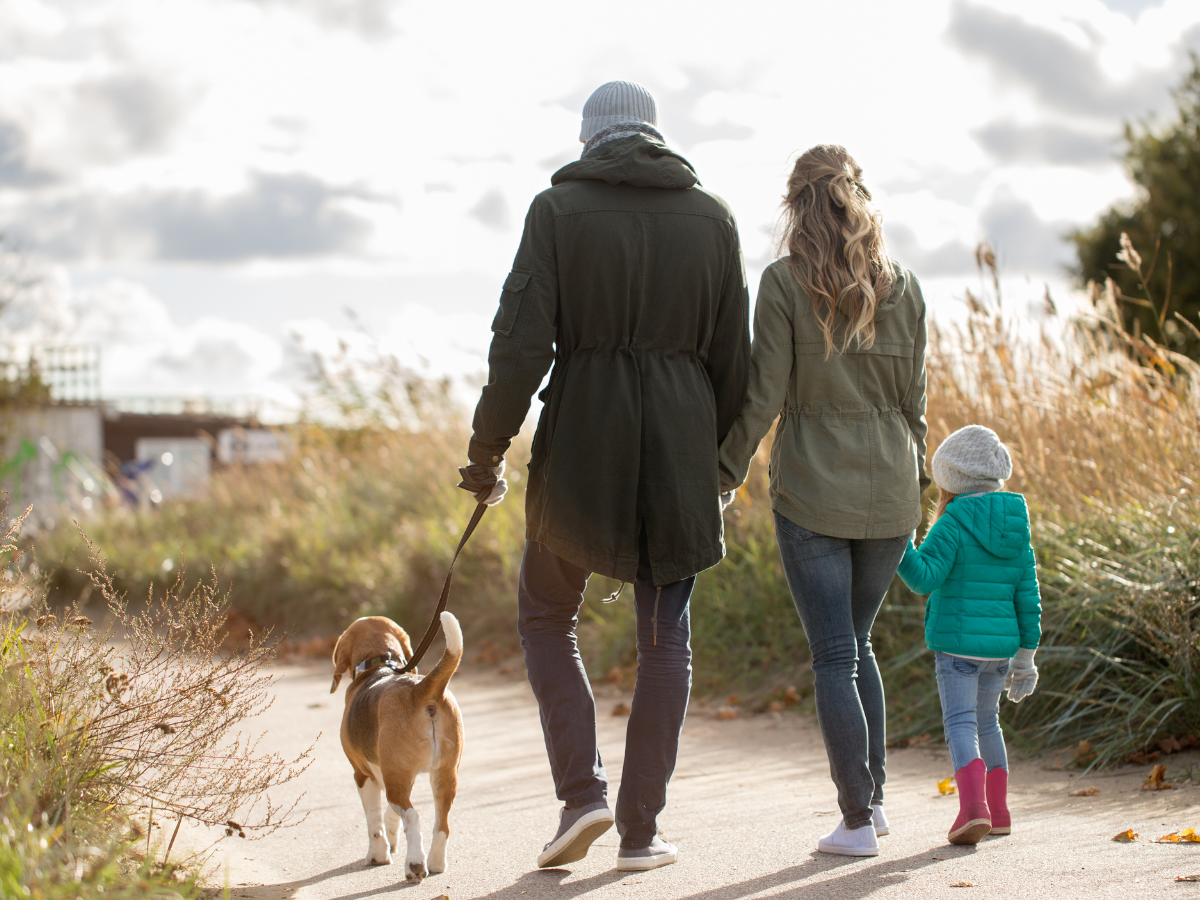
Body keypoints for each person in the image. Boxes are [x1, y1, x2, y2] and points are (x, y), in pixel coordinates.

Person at [460, 80, 750, 872]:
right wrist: (715, 466)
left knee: (548, 614)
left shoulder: (556, 212)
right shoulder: (714, 218)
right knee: (665, 642)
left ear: (590, 138)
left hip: (583, 442)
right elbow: (736, 364)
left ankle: (581, 795)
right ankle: (640, 833)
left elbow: (519, 346)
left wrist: (486, 453)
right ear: (655, 135)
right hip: (679, 455)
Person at [718, 145, 928, 857]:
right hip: (893, 492)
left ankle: (857, 819)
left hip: (812, 490)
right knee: (856, 643)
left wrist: (723, 473)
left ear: (796, 205)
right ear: (857, 198)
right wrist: (921, 490)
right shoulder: (907, 287)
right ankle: (875, 803)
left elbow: (763, 396)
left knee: (835, 653)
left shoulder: (781, 284)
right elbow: (916, 407)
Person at [895, 424, 1041, 845]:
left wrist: (900, 543)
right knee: (988, 724)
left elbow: (923, 579)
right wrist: (1026, 657)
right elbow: (1027, 596)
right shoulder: (1016, 525)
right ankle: (999, 812)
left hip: (957, 647)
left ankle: (972, 809)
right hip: (1001, 651)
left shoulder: (954, 521)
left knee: (960, 724)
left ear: (951, 480)